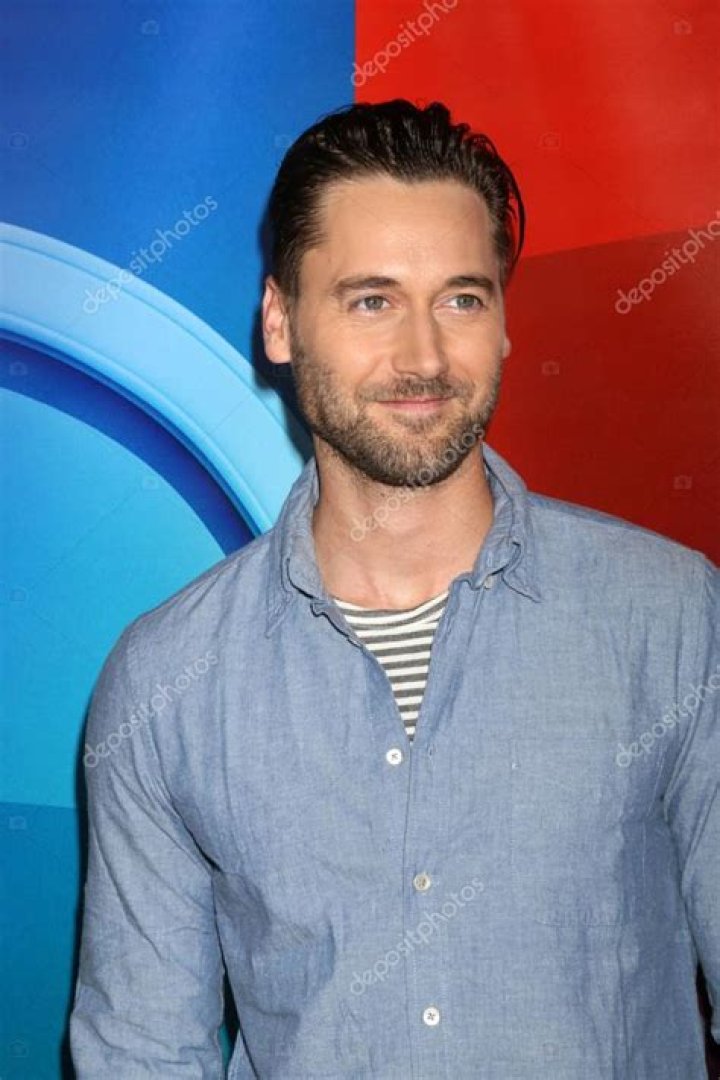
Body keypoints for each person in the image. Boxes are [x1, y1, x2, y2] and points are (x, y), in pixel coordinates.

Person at [70, 99, 718, 1078]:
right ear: (280, 322)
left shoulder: (670, 618)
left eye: (461, 300)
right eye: (372, 301)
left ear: (504, 325)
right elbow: (140, 1054)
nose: (424, 358)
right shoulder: (167, 680)